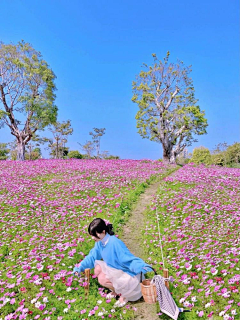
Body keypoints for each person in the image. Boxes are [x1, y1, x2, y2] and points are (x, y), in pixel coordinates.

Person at [73, 218, 152, 307]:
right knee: (97, 269)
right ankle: (116, 291)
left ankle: (124, 295)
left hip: (126, 273)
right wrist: (80, 267)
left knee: (102, 279)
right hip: (115, 270)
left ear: (103, 231)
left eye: (95, 235)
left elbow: (127, 258)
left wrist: (141, 266)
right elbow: (92, 257)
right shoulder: (100, 243)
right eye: (92, 235)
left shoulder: (114, 242)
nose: (93, 238)